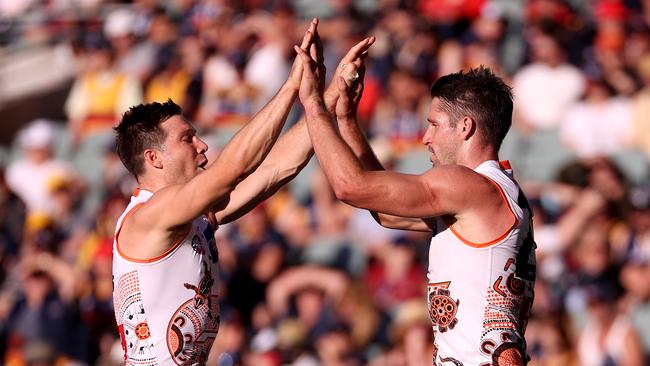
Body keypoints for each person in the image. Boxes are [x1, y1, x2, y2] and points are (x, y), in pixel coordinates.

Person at [111, 19, 374, 364]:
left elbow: (275, 169)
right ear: (153, 159)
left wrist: (325, 97)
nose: (203, 145)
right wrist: (290, 87)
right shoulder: (148, 216)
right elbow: (233, 169)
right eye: (187, 139)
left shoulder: (192, 215)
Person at [295, 41, 537, 364]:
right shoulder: (493, 192)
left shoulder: (467, 183)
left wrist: (313, 105)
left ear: (466, 127)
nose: (426, 137)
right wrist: (348, 124)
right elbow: (385, 212)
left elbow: (348, 186)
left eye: (434, 124)